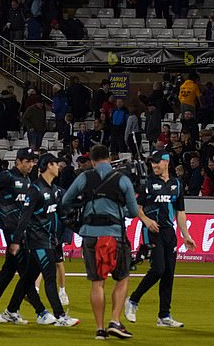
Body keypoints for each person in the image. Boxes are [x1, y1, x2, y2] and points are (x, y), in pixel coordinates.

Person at [62, 144, 139, 340]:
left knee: (97, 282)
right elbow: (133, 212)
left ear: (93, 161)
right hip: (115, 235)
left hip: (90, 235)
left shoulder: (84, 177)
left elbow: (66, 200)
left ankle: (99, 329)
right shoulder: (122, 179)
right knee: (122, 278)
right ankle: (115, 320)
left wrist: (85, 204)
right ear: (109, 159)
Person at [4, 153, 80, 327]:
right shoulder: (35, 189)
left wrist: (79, 227)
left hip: (48, 239)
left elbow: (62, 216)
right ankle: (60, 316)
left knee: (28, 278)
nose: (58, 167)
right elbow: (24, 217)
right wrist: (16, 241)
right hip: (37, 240)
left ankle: (11, 310)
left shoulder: (53, 189)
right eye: (55, 164)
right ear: (48, 166)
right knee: (49, 276)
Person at [124, 149, 196, 328]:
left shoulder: (177, 184)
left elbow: (180, 212)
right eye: (152, 162)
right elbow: (136, 208)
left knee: (168, 274)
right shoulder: (147, 184)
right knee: (158, 269)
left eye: (157, 162)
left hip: (169, 233)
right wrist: (147, 220)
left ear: (166, 162)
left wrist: (186, 235)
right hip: (152, 231)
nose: (154, 165)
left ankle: (164, 315)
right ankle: (132, 300)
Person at [0, 148, 39, 323]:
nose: (30, 165)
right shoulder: (7, 176)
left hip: (20, 230)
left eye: (32, 161)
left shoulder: (27, 179)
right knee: (25, 271)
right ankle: (40, 311)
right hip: (10, 229)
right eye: (27, 161)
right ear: (18, 161)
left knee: (9, 271)